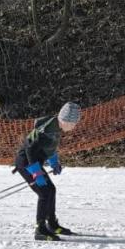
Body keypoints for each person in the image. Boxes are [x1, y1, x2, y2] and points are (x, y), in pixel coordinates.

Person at [14, 101, 81, 240]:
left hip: (34, 162)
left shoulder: (55, 127)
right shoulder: (48, 130)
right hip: (26, 163)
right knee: (44, 192)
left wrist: (54, 162)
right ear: (65, 120)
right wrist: (36, 172)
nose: (74, 127)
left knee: (51, 190)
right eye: (73, 123)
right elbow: (30, 150)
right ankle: (40, 229)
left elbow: (49, 148)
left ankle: (51, 224)